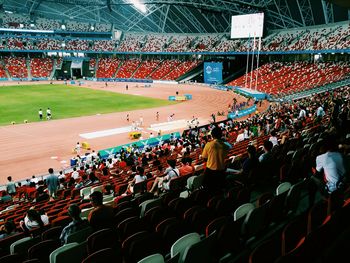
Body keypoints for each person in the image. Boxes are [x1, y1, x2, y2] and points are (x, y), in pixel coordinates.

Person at [202, 126, 231, 193]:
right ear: (221, 135)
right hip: (221, 171)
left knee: (209, 189)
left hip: (210, 172)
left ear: (212, 135)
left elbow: (204, 158)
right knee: (220, 188)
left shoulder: (208, 145)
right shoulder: (226, 146)